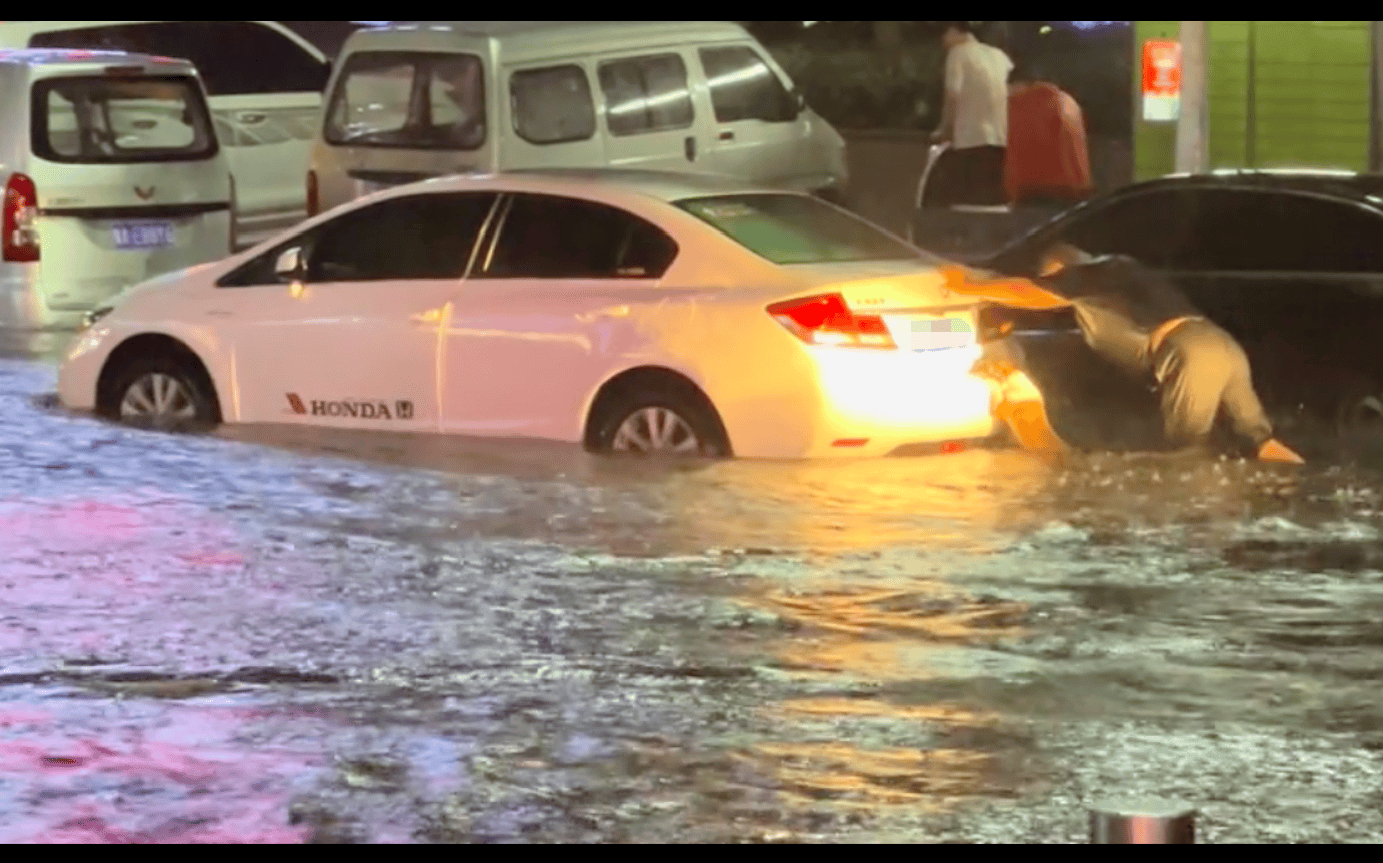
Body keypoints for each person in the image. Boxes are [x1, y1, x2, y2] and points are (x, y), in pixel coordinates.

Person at [942, 244, 1306, 464]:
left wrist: (971, 284)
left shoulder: (1096, 271)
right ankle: (1302, 487)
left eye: (1056, 280)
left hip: (1189, 351)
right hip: (1222, 345)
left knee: (1186, 454)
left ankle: (1194, 538)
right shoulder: (1118, 281)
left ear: (1064, 270)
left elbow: (1031, 292)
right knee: (1260, 441)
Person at [928, 21, 1013, 207]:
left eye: (943, 37)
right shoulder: (1000, 56)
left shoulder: (958, 53)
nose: (942, 43)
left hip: (971, 140)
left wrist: (945, 130)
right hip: (1001, 140)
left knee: (969, 205)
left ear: (952, 30)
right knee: (995, 204)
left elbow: (952, 96)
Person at [1004, 62, 1094, 207]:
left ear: (1017, 84)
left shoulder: (1023, 102)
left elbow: (1017, 149)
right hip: (1077, 187)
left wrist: (1011, 193)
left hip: (1038, 189)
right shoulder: (1068, 100)